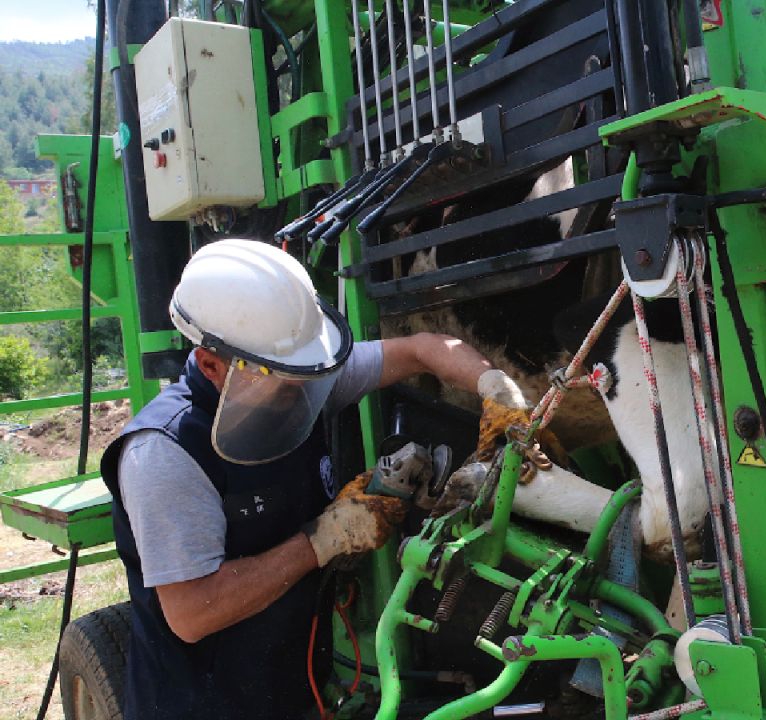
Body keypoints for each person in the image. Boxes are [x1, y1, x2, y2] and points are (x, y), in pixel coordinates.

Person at [100, 239, 528, 720]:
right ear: (212, 365)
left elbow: (421, 350)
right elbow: (193, 612)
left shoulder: (294, 383)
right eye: (284, 376)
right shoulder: (166, 453)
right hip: (203, 705)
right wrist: (323, 541)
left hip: (292, 687)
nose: (302, 390)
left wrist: (495, 387)